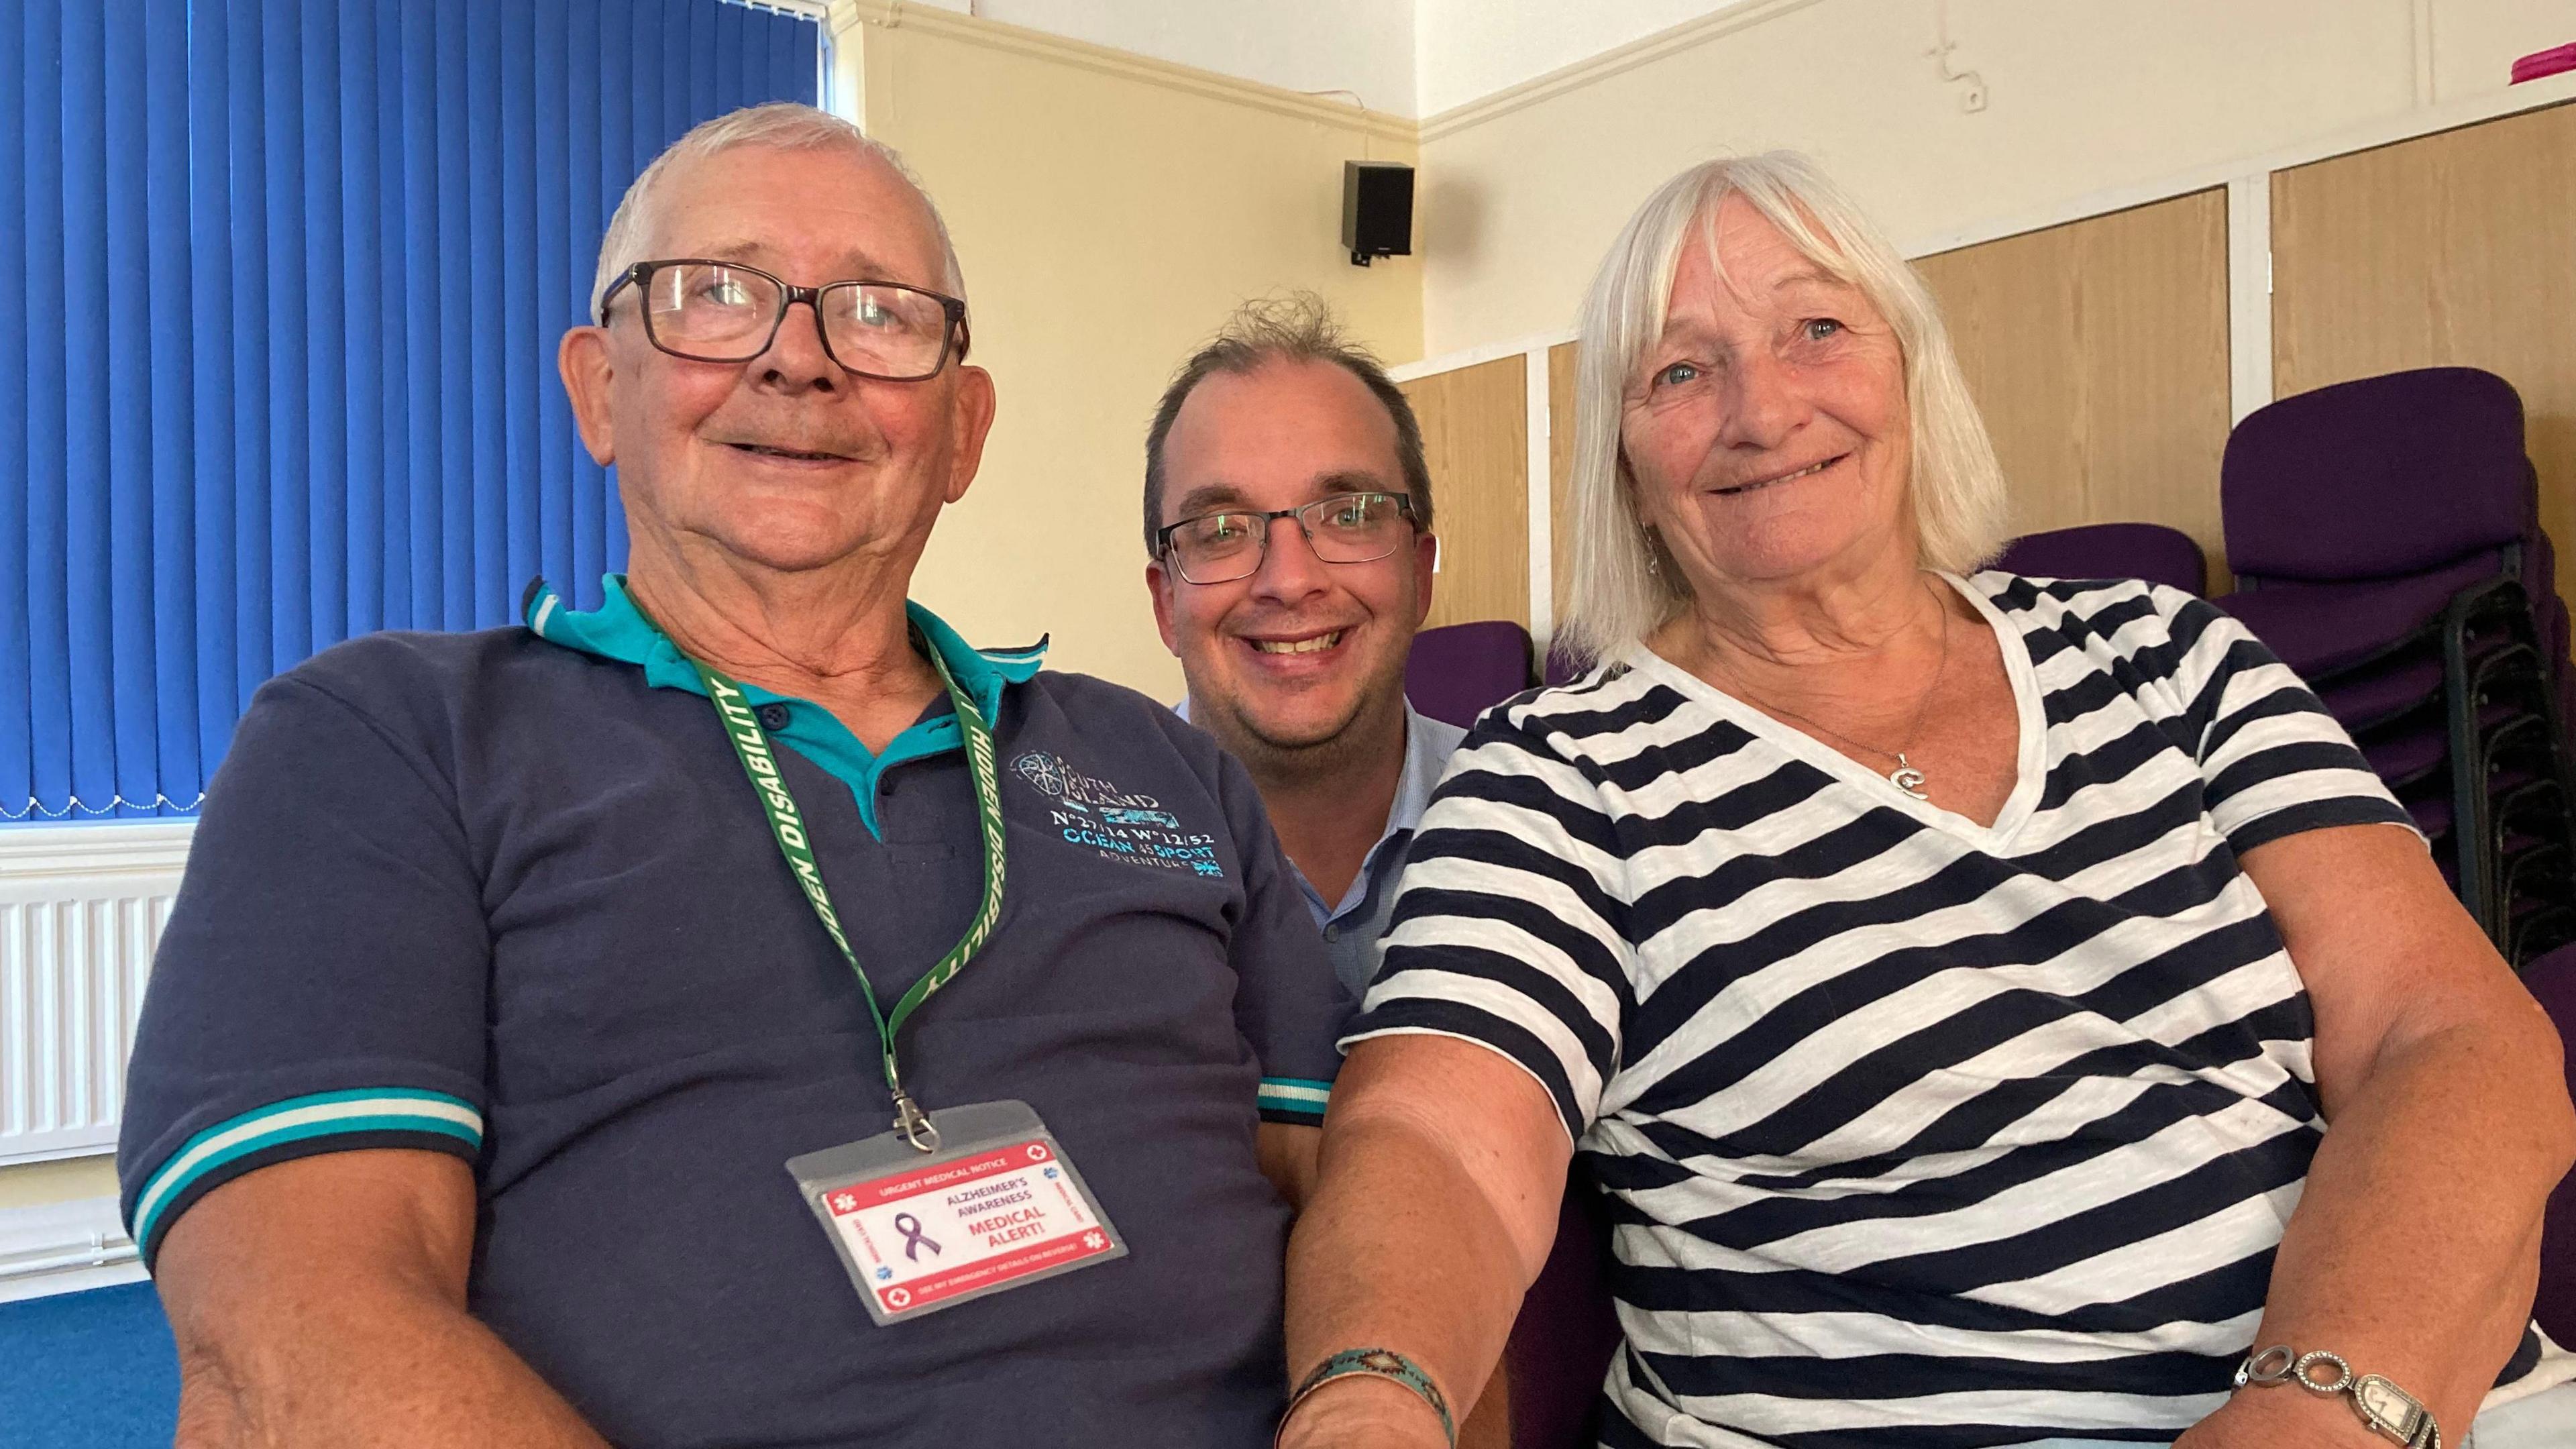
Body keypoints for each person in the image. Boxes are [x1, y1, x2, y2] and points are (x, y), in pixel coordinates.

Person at [1278, 152, 2576, 1449]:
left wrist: (2320, 1412)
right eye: (1679, 370)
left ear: (1910, 370)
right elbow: (1439, 1140)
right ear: (1623, 458)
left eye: (1818, 328)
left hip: (2394, 1403)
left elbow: (2449, 1035)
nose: (1762, 408)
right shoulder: (1557, 775)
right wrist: (1369, 1399)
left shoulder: (2166, 653)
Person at [118, 102, 1348, 1448]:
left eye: (876, 312)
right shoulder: (385, 743)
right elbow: (297, 1326)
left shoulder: (1159, 762)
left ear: (963, 431)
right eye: (716, 296)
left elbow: (1366, 1195)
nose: (800, 361)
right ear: (599, 386)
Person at [1142, 297, 1468, 1003]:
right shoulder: (1065, 869)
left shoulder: (1553, 825)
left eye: (1349, 515)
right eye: (1222, 528)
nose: (1289, 581)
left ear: (1418, 574)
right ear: (1166, 602)